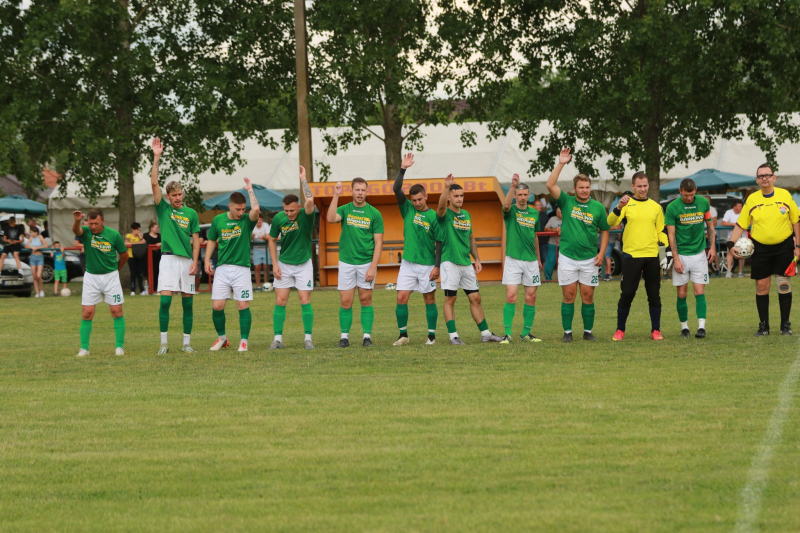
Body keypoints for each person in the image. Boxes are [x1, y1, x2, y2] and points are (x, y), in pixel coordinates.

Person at [546, 148, 610, 342]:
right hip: (567, 256)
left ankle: (588, 331)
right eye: (581, 187)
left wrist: (601, 252)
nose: (584, 190)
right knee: (569, 295)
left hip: (590, 258)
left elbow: (605, 230)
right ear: (575, 189)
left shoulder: (598, 207)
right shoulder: (566, 202)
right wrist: (562, 163)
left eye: (587, 187)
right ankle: (567, 332)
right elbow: (550, 184)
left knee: (588, 296)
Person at [729, 164, 800, 336]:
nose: (764, 178)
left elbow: (796, 221)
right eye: (761, 176)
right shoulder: (752, 199)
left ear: (774, 177)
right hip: (760, 248)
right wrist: (731, 243)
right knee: (762, 286)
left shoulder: (785, 195)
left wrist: (797, 245)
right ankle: (764, 327)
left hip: (784, 246)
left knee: (783, 285)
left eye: (768, 175)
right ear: (757, 180)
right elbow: (741, 224)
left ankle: (785, 326)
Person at [436, 175, 503, 345]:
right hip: (450, 262)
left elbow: (471, 238)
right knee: (450, 299)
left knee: (476, 298)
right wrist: (446, 188)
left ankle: (486, 334)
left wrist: (477, 258)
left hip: (466, 263)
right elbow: (441, 205)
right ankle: (454, 337)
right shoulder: (445, 215)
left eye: (461, 195)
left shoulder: (466, 215)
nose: (459, 199)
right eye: (456, 196)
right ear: (450, 197)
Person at [150, 137, 201, 354]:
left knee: (187, 305)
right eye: (174, 195)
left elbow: (196, 240)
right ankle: (163, 344)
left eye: (180, 194)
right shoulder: (163, 209)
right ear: (168, 196)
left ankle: (186, 344)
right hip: (168, 259)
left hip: (187, 261)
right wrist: (156, 158)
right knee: (165, 303)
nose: (178, 198)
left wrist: (195, 263)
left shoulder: (191, 213)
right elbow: (154, 183)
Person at [608, 172, 669, 341]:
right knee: (627, 293)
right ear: (632, 187)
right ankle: (620, 330)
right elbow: (611, 222)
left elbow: (661, 231)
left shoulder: (656, 207)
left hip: (651, 255)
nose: (642, 189)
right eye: (639, 186)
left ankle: (655, 330)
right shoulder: (626, 204)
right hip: (631, 255)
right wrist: (619, 206)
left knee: (654, 294)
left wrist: (665, 252)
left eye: (645, 186)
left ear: (648, 186)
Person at [327, 177, 384, 347]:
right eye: (357, 190)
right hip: (346, 262)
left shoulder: (374, 214)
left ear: (367, 192)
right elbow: (330, 218)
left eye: (363, 190)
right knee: (346, 301)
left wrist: (373, 267)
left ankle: (367, 337)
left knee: (365, 299)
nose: (360, 193)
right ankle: (344, 337)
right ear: (351, 191)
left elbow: (379, 243)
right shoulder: (345, 209)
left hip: (366, 262)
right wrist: (336, 195)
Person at [391, 153, 441, 346]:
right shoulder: (408, 209)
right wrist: (403, 169)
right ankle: (403, 335)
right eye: (414, 200)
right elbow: (396, 188)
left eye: (420, 199)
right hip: (408, 263)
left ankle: (431, 337)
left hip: (427, 264)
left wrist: (436, 267)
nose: (417, 203)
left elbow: (439, 243)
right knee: (401, 297)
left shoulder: (435, 217)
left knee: (429, 299)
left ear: (426, 196)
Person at [205, 179, 260, 352]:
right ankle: (222, 339)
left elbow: (256, 209)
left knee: (242, 305)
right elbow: (212, 240)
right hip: (222, 269)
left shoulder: (246, 220)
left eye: (243, 209)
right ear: (230, 206)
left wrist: (250, 190)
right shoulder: (218, 220)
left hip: (242, 269)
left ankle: (244, 341)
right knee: (217, 306)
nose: (241, 212)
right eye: (238, 209)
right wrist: (207, 260)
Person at [268, 166, 317, 349]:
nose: (289, 214)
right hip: (284, 265)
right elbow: (272, 240)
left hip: (303, 263)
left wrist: (303, 179)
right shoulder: (279, 219)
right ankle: (278, 339)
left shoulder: (306, 216)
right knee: (280, 301)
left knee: (305, 300)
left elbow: (310, 200)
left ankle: (308, 339)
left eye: (292, 210)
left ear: (298, 207)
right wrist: (275, 264)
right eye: (286, 211)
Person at [72, 208, 128, 357]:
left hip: (111, 277)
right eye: (90, 223)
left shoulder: (114, 235)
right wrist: (77, 220)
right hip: (91, 278)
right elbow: (76, 231)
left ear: (103, 221)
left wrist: (116, 269)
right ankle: (84, 349)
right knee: (87, 313)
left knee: (116, 311)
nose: (93, 227)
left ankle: (119, 348)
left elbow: (124, 255)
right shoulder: (86, 232)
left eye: (96, 223)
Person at [665, 178, 716, 339]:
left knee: (699, 291)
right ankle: (684, 327)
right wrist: (676, 258)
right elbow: (671, 234)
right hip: (681, 255)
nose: (689, 198)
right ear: (680, 191)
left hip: (699, 254)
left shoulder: (703, 203)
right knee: (682, 293)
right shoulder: (672, 207)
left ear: (696, 190)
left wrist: (712, 247)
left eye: (692, 194)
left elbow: (710, 226)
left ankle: (701, 327)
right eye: (686, 195)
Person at [500, 173, 543, 343]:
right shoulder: (510, 211)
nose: (523, 197)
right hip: (513, 259)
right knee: (511, 296)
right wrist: (512, 186)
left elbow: (535, 237)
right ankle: (507, 334)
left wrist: (538, 259)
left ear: (529, 195)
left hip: (531, 261)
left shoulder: (534, 213)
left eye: (525, 194)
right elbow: (505, 205)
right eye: (520, 195)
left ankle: (526, 334)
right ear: (516, 196)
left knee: (531, 297)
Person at [722, 200, 745, 278]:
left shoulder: (744, 212)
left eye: (742, 206)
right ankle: (729, 271)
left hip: (743, 237)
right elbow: (723, 223)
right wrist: (733, 224)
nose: (741, 208)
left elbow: (751, 222)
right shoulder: (729, 212)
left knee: (742, 253)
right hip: (731, 237)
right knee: (730, 252)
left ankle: (741, 272)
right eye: (739, 206)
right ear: (734, 207)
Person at [25, 227, 48, 297]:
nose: (31, 233)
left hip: (40, 257)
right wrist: (31, 247)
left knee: (38, 275)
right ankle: (37, 292)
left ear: (36, 232)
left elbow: (46, 245)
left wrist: (38, 248)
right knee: (34, 276)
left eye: (32, 232)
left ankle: (41, 290)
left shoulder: (40, 237)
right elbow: (26, 246)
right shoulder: (31, 238)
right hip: (33, 257)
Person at [124, 222, 146, 295]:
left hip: (139, 256)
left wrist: (141, 238)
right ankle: (132, 290)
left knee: (140, 274)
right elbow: (126, 243)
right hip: (131, 256)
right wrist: (138, 243)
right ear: (133, 229)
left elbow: (144, 242)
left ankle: (142, 290)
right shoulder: (129, 235)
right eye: (137, 230)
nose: (138, 231)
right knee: (133, 274)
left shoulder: (139, 237)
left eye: (139, 230)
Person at [251, 213, 271, 288]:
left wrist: (263, 237)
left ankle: (266, 285)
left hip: (266, 248)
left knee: (266, 267)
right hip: (256, 248)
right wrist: (252, 237)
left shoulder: (266, 225)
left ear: (262, 220)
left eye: (260, 219)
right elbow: (249, 239)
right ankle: (258, 286)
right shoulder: (252, 225)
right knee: (257, 267)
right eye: (257, 219)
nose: (258, 221)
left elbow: (269, 237)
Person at [543, 209, 562, 280]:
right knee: (550, 261)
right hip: (552, 243)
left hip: (565, 244)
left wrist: (561, 230)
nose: (559, 214)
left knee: (565, 262)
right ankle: (548, 278)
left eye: (561, 212)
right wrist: (554, 230)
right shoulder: (552, 219)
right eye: (559, 212)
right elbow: (546, 229)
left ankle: (564, 279)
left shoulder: (568, 218)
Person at [143, 220, 161, 290]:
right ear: (151, 228)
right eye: (156, 228)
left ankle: (157, 288)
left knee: (157, 272)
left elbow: (164, 242)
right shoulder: (146, 236)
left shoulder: (159, 236)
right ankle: (149, 288)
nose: (157, 229)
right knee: (149, 273)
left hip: (158, 257)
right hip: (148, 258)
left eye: (158, 228)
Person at [535, 199, 550, 267]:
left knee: (545, 257)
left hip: (544, 241)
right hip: (534, 240)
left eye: (541, 205)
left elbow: (548, 226)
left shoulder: (545, 214)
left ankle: (543, 271)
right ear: (534, 207)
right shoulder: (532, 214)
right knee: (535, 258)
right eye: (538, 205)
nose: (540, 206)